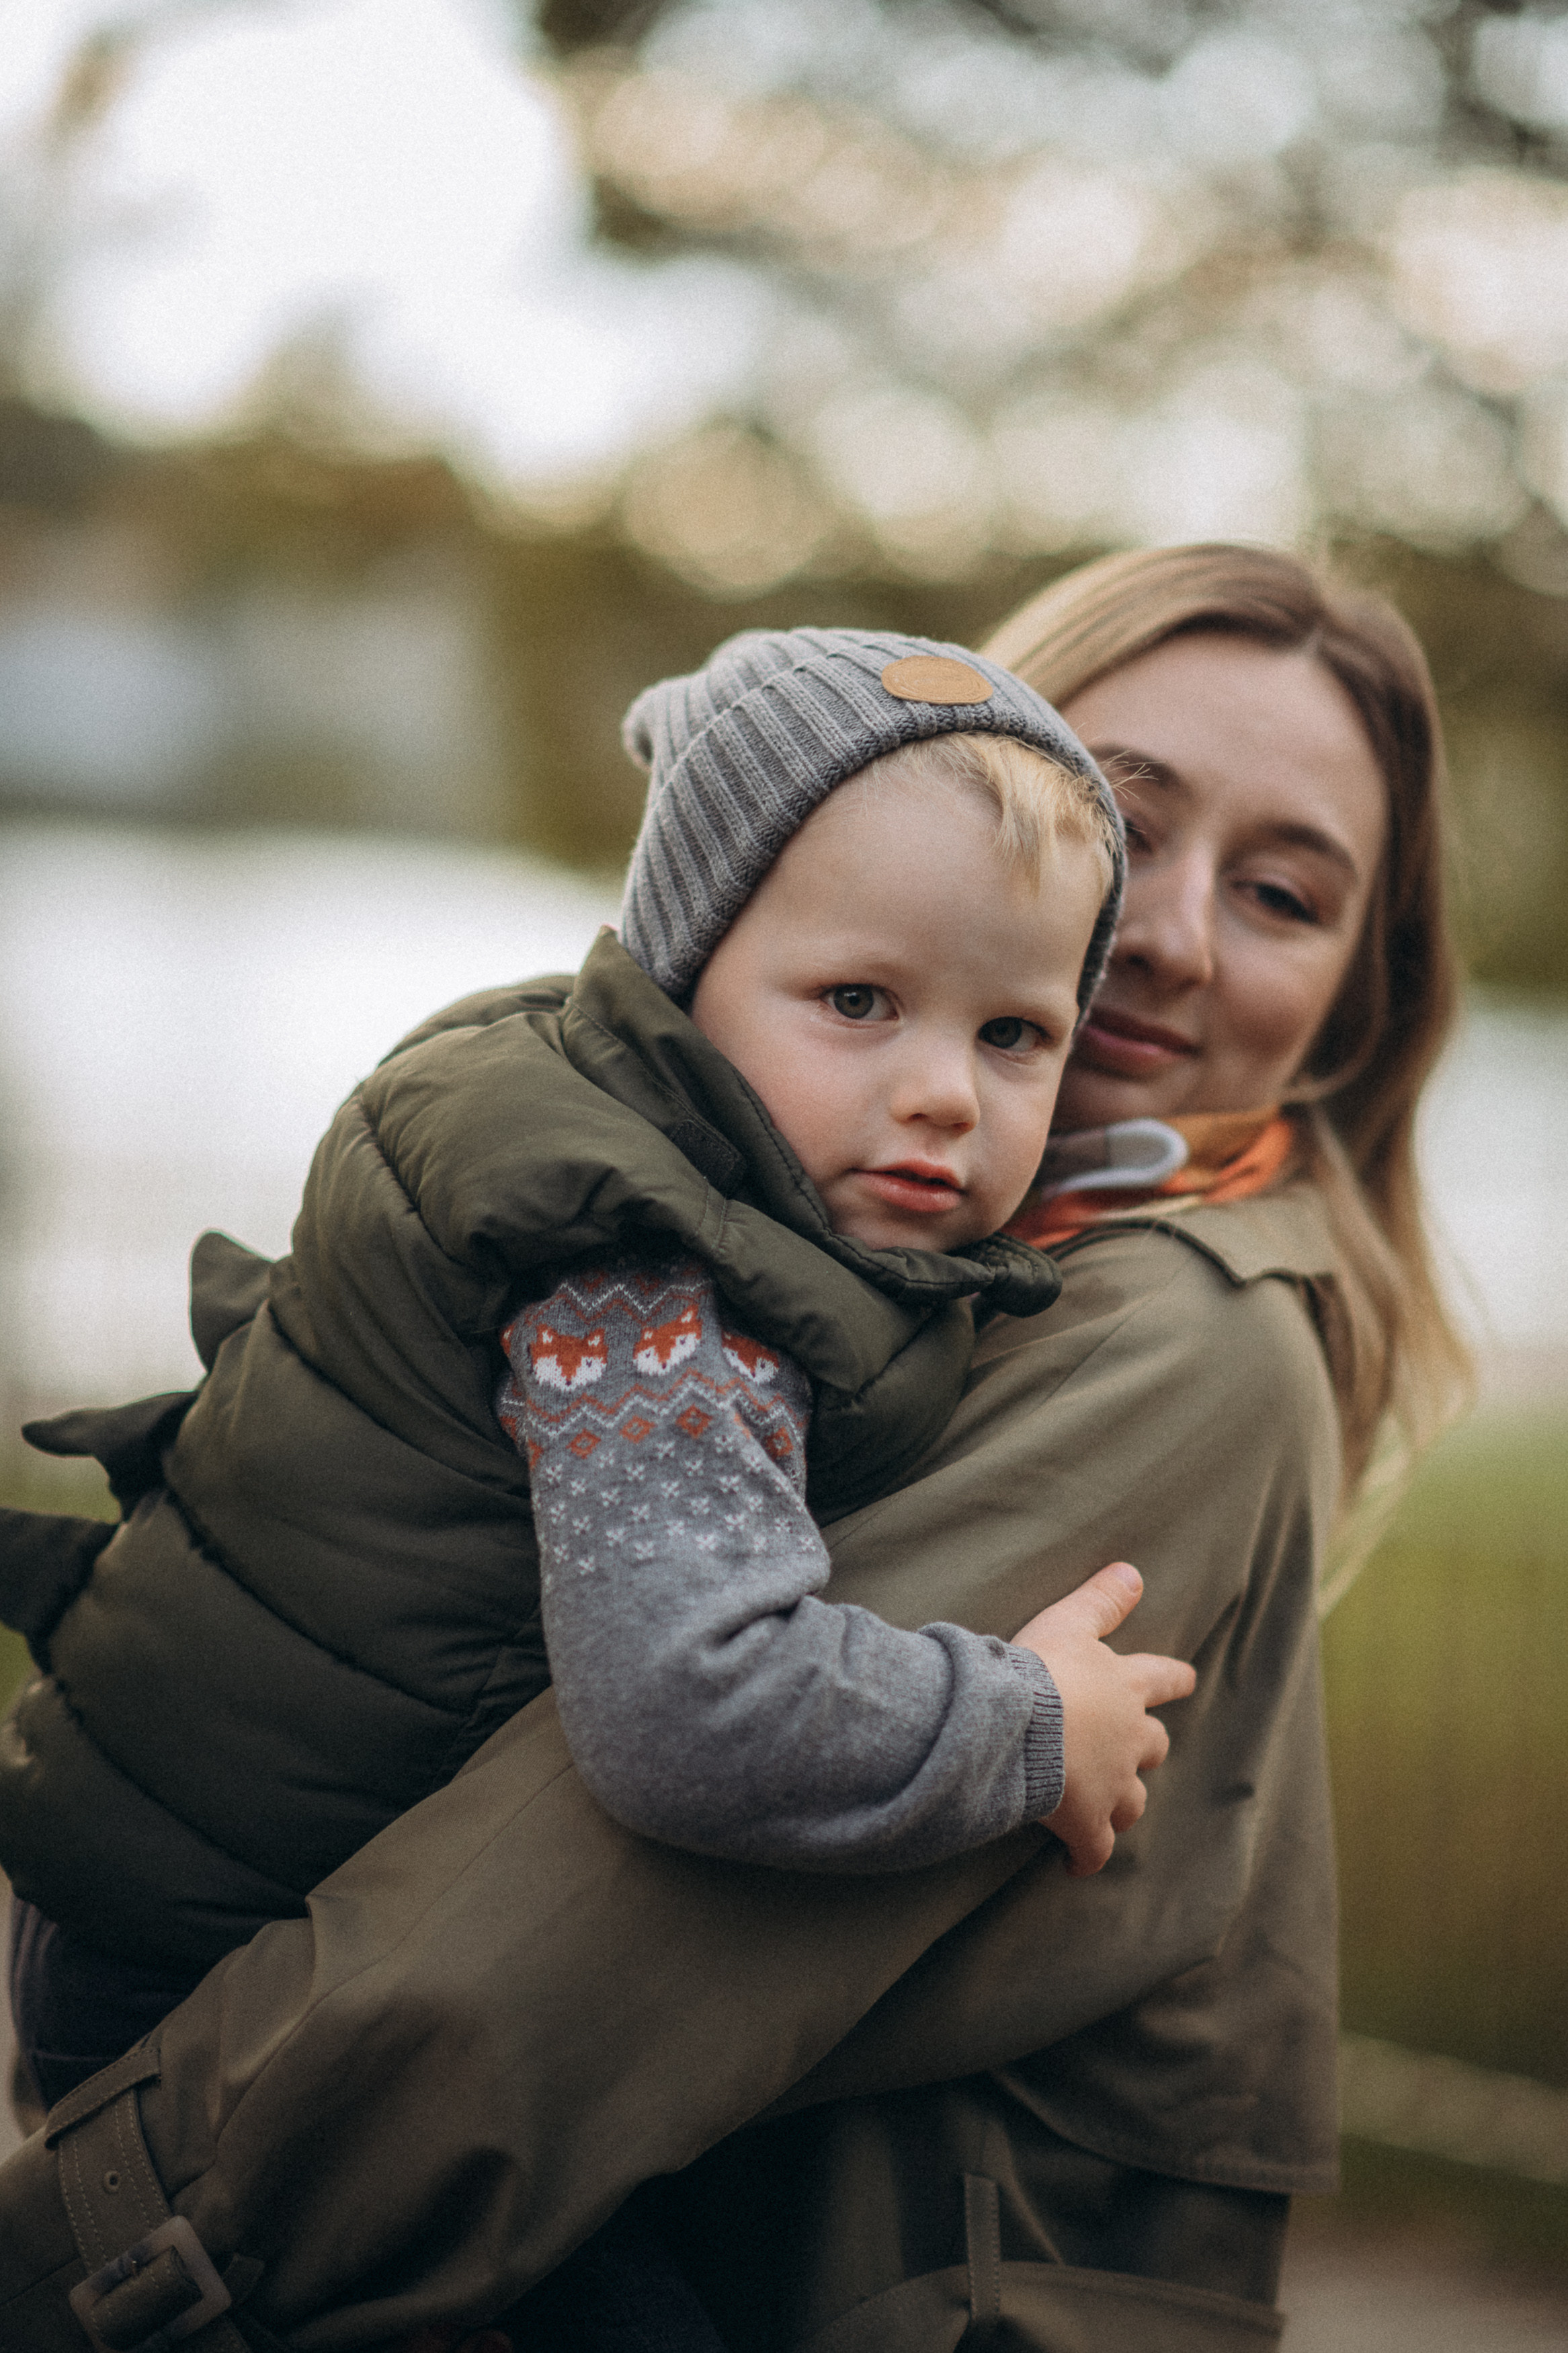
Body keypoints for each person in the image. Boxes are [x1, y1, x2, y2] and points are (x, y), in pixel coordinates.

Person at [0, 547, 1468, 2353]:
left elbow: (594, 1905)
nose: (1166, 932)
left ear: (1363, 995)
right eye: (1127, 825)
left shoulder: (1174, 1331)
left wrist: (95, 2253)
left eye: (1286, 893)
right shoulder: (786, 1245)